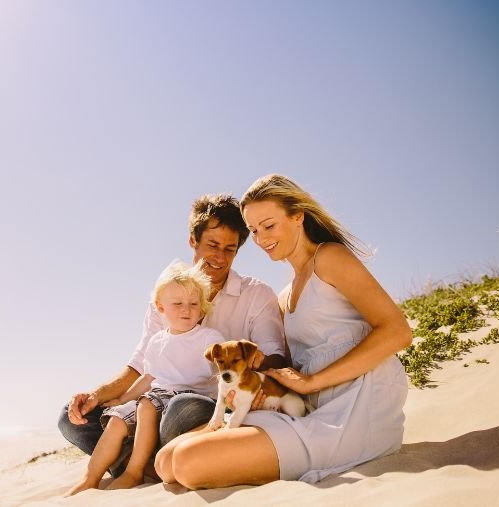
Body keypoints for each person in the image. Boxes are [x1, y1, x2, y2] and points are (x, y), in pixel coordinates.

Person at [155, 174, 412, 488]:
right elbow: (287, 368)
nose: (261, 239)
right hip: (309, 408)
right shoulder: (284, 296)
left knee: (186, 463)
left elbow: (398, 332)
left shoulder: (329, 257)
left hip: (356, 409)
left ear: (298, 215)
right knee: (165, 461)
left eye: (269, 225)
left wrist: (310, 382)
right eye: (254, 230)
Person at [58, 194, 288, 476]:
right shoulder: (167, 295)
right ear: (193, 240)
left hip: (210, 404)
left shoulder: (256, 294)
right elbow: (142, 364)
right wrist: (96, 396)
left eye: (230, 249)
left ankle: (148, 462)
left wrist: (251, 370)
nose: (219, 257)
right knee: (71, 420)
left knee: (180, 408)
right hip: (156, 400)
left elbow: (276, 358)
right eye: (212, 245)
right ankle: (151, 464)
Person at [65, 262, 226, 496]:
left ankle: (134, 472)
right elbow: (149, 377)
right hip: (156, 395)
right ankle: (90, 479)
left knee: (147, 405)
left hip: (189, 399)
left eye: (194, 304)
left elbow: (225, 370)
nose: (187, 310)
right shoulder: (157, 341)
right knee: (117, 420)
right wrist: (122, 399)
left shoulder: (208, 338)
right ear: (161, 308)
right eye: (178, 304)